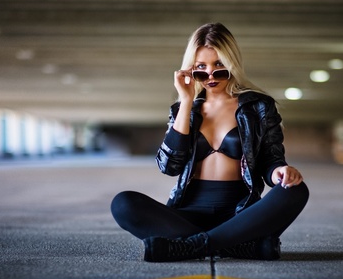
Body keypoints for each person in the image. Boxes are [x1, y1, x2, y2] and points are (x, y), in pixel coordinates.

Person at [111, 22, 309, 262]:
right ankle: (235, 246)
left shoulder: (259, 106)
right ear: (190, 70)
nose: (211, 76)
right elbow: (169, 166)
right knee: (123, 204)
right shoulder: (183, 110)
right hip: (187, 214)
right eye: (201, 69)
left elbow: (271, 159)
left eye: (219, 66)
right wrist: (185, 102)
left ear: (232, 64)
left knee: (296, 190)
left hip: (243, 216)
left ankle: (193, 246)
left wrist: (280, 172)